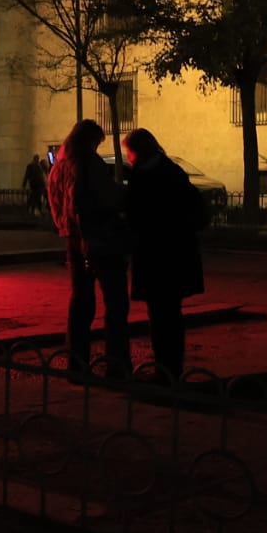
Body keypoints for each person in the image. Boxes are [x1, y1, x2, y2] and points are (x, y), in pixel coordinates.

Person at [46, 119, 131, 379]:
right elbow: (103, 198)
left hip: (72, 238)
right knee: (116, 301)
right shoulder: (89, 164)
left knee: (80, 301)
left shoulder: (58, 167)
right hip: (99, 237)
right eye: (97, 142)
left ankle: (76, 361)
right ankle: (116, 364)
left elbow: (58, 205)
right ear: (90, 140)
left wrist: (69, 229)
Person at [121, 128, 207, 380]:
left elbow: (135, 213)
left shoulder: (143, 176)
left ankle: (165, 369)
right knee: (170, 313)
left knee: (160, 315)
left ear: (137, 151)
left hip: (156, 254)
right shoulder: (172, 171)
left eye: (129, 152)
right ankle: (172, 366)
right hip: (176, 254)